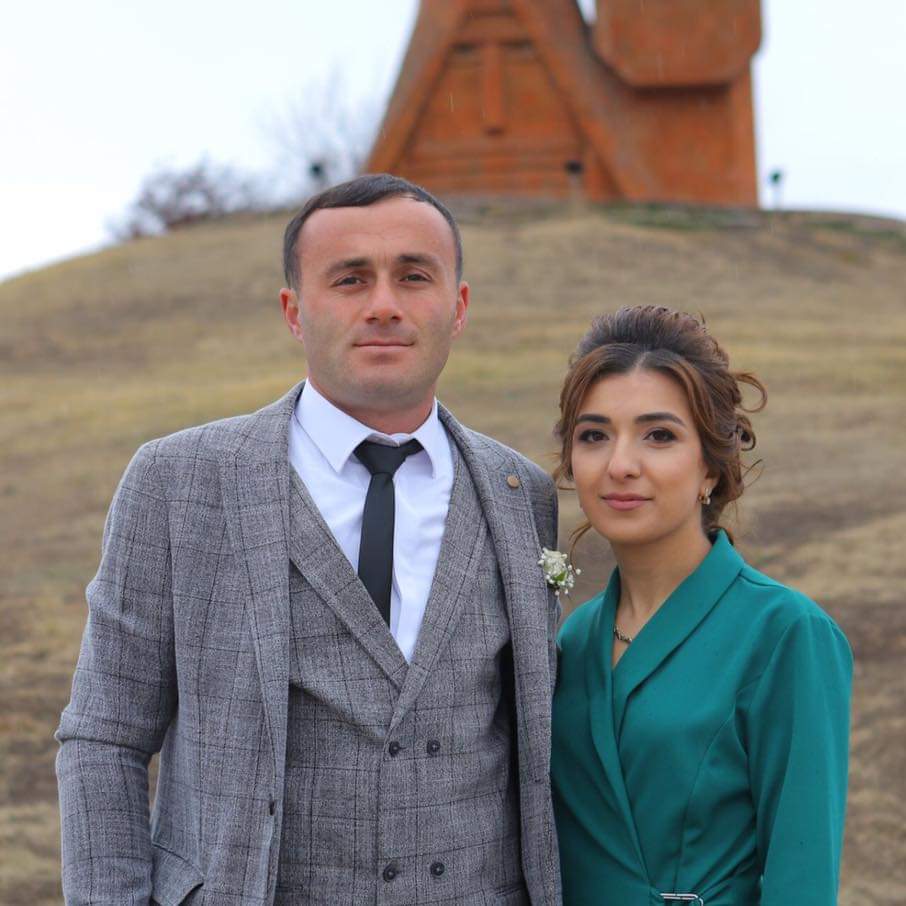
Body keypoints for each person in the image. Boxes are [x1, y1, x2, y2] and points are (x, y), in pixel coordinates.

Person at [56, 174, 562, 905]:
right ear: (295, 311)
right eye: (350, 279)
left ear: (458, 307)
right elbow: (105, 738)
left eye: (413, 276)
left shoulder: (522, 495)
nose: (383, 304)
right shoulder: (177, 482)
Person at [550, 306, 852, 905]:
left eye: (659, 435)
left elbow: (803, 880)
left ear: (711, 466)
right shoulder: (574, 639)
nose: (620, 465)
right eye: (594, 436)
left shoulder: (786, 634)